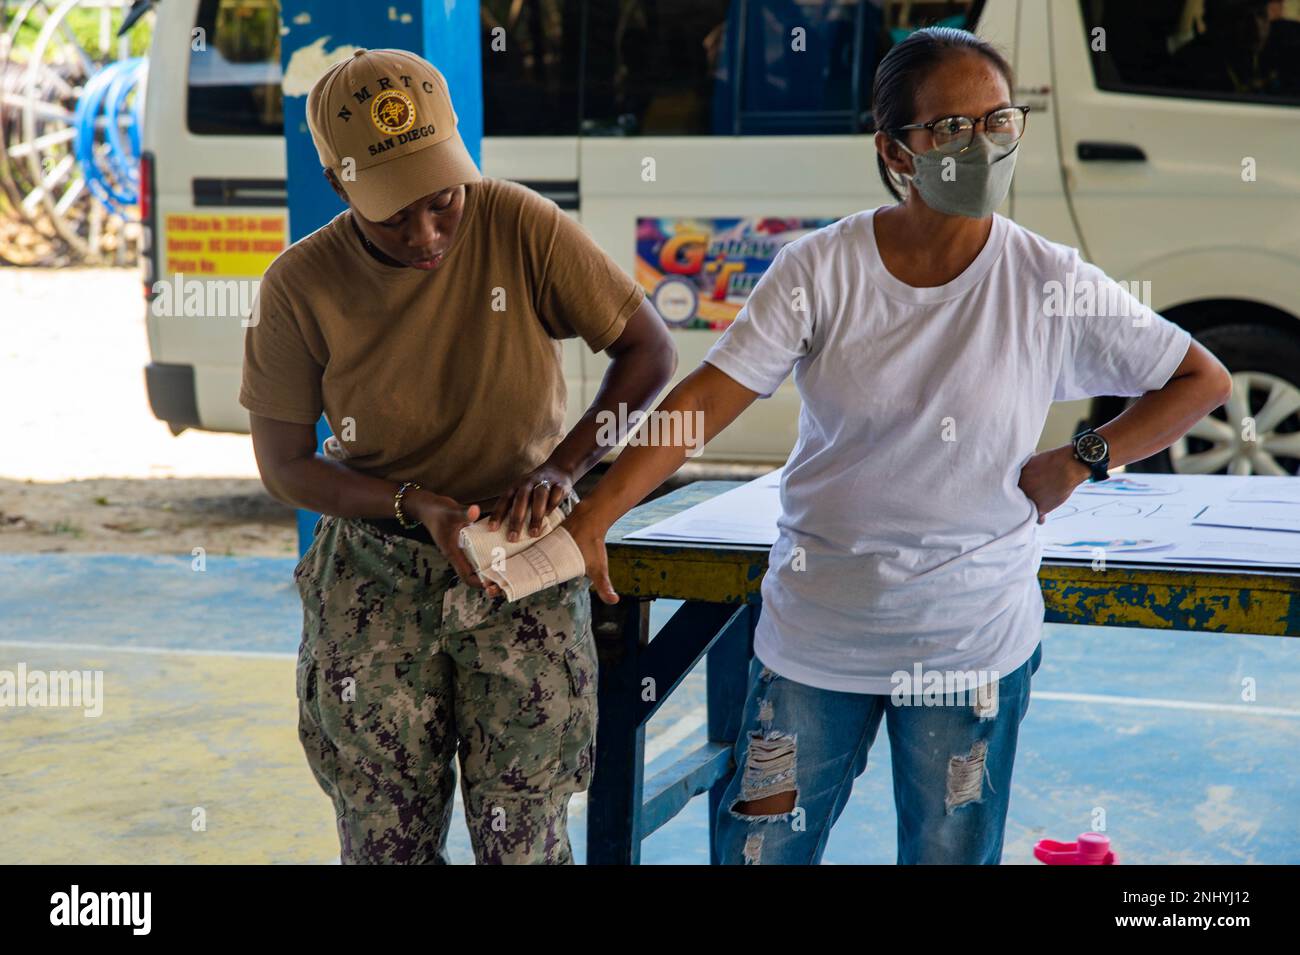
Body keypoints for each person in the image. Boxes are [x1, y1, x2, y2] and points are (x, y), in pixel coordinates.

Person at [561, 27, 1232, 864]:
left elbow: (1201, 379)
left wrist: (1082, 458)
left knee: (948, 852)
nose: (980, 146)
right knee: (760, 851)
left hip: (969, 636)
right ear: (894, 150)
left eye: (998, 122)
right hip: (817, 632)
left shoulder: (1045, 279)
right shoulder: (821, 269)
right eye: (950, 129)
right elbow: (704, 400)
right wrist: (600, 512)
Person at [240, 48, 675, 864]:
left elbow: (647, 350)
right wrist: (415, 505)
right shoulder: (300, 284)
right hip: (375, 580)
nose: (428, 234)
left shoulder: (516, 221)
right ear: (340, 187)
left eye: (442, 202)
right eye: (394, 215)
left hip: (524, 560)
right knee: (385, 839)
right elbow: (286, 465)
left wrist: (562, 469)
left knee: (525, 836)